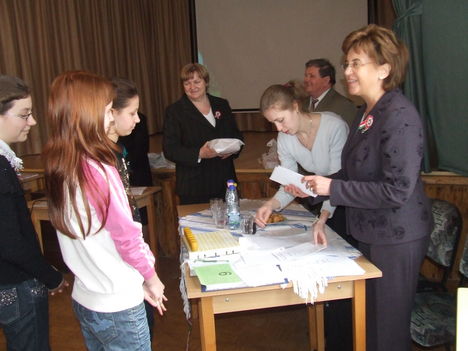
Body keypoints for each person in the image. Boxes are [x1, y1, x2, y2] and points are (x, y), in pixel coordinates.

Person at [297, 25, 432, 351]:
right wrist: (319, 187)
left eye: (357, 63)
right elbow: (355, 171)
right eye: (346, 63)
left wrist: (334, 187)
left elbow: (397, 190)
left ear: (384, 68)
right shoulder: (366, 113)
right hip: (371, 232)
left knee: (386, 331)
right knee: (369, 324)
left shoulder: (399, 115)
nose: (347, 71)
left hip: (396, 236)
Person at [43, 71, 166, 350]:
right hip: (117, 302)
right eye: (108, 110)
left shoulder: (62, 163)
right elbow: (127, 237)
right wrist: (152, 278)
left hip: (87, 297)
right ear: (87, 113)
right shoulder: (97, 168)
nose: (112, 117)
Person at [0, 75, 67, 351]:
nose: (33, 122)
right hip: (14, 286)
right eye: (24, 115)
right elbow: (10, 241)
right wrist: (50, 275)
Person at [254, 81, 349, 245]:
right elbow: (288, 184)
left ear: (295, 106)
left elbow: (336, 181)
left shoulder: (334, 127)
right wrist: (270, 205)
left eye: (281, 120)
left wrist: (322, 218)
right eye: (273, 123)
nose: (278, 128)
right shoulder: (285, 138)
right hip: (322, 204)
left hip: (346, 204)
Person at [108, 77, 155, 341]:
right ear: (110, 113)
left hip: (129, 265)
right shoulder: (103, 159)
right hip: (119, 275)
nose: (138, 120)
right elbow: (121, 228)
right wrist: (149, 275)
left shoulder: (115, 151)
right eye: (132, 113)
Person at [163, 63, 243, 205]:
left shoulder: (222, 104)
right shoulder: (175, 111)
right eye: (187, 83)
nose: (192, 87)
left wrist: (233, 149)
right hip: (194, 187)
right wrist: (199, 153)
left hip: (225, 184)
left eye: (196, 81)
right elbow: (170, 149)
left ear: (206, 82)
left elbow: (237, 136)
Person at [304, 58, 357, 126]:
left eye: (312, 76)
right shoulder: (300, 104)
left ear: (326, 80)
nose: (306, 80)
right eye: (306, 75)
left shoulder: (344, 106)